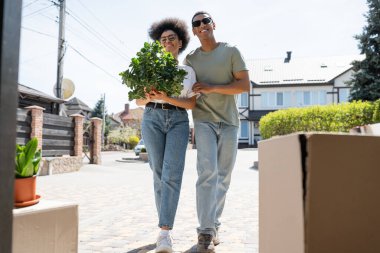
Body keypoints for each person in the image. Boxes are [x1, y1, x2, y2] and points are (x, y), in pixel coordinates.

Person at [184, 11, 250, 253]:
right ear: (193, 31)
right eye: (197, 23)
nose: (202, 25)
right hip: (203, 120)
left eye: (206, 21)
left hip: (230, 122)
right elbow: (185, 88)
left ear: (214, 24)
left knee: (223, 176)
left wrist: (212, 87)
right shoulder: (191, 60)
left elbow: (244, 85)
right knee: (207, 172)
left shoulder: (231, 51)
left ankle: (214, 225)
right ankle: (205, 230)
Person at [135, 18, 197, 253]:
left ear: (180, 42)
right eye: (163, 39)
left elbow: (191, 103)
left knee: (172, 175)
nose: (168, 41)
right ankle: (164, 229)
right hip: (151, 118)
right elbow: (139, 101)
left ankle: (165, 232)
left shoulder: (187, 71)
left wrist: (168, 97)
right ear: (158, 43)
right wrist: (150, 95)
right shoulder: (150, 67)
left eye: (172, 38)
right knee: (159, 174)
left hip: (179, 120)